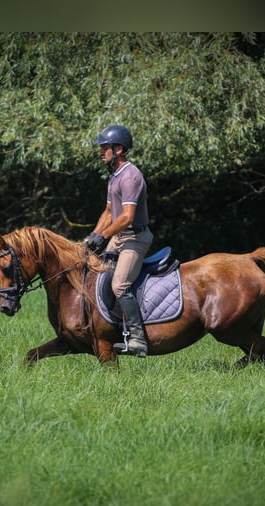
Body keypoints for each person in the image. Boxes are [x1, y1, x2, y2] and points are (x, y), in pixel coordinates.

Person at [84, 125, 153, 357]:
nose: (101, 152)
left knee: (119, 285)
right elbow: (108, 212)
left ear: (119, 149)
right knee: (91, 270)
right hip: (118, 237)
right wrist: (92, 238)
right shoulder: (114, 177)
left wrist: (104, 236)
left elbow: (127, 217)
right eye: (101, 148)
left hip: (135, 238)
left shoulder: (131, 176)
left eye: (105, 148)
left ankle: (137, 338)